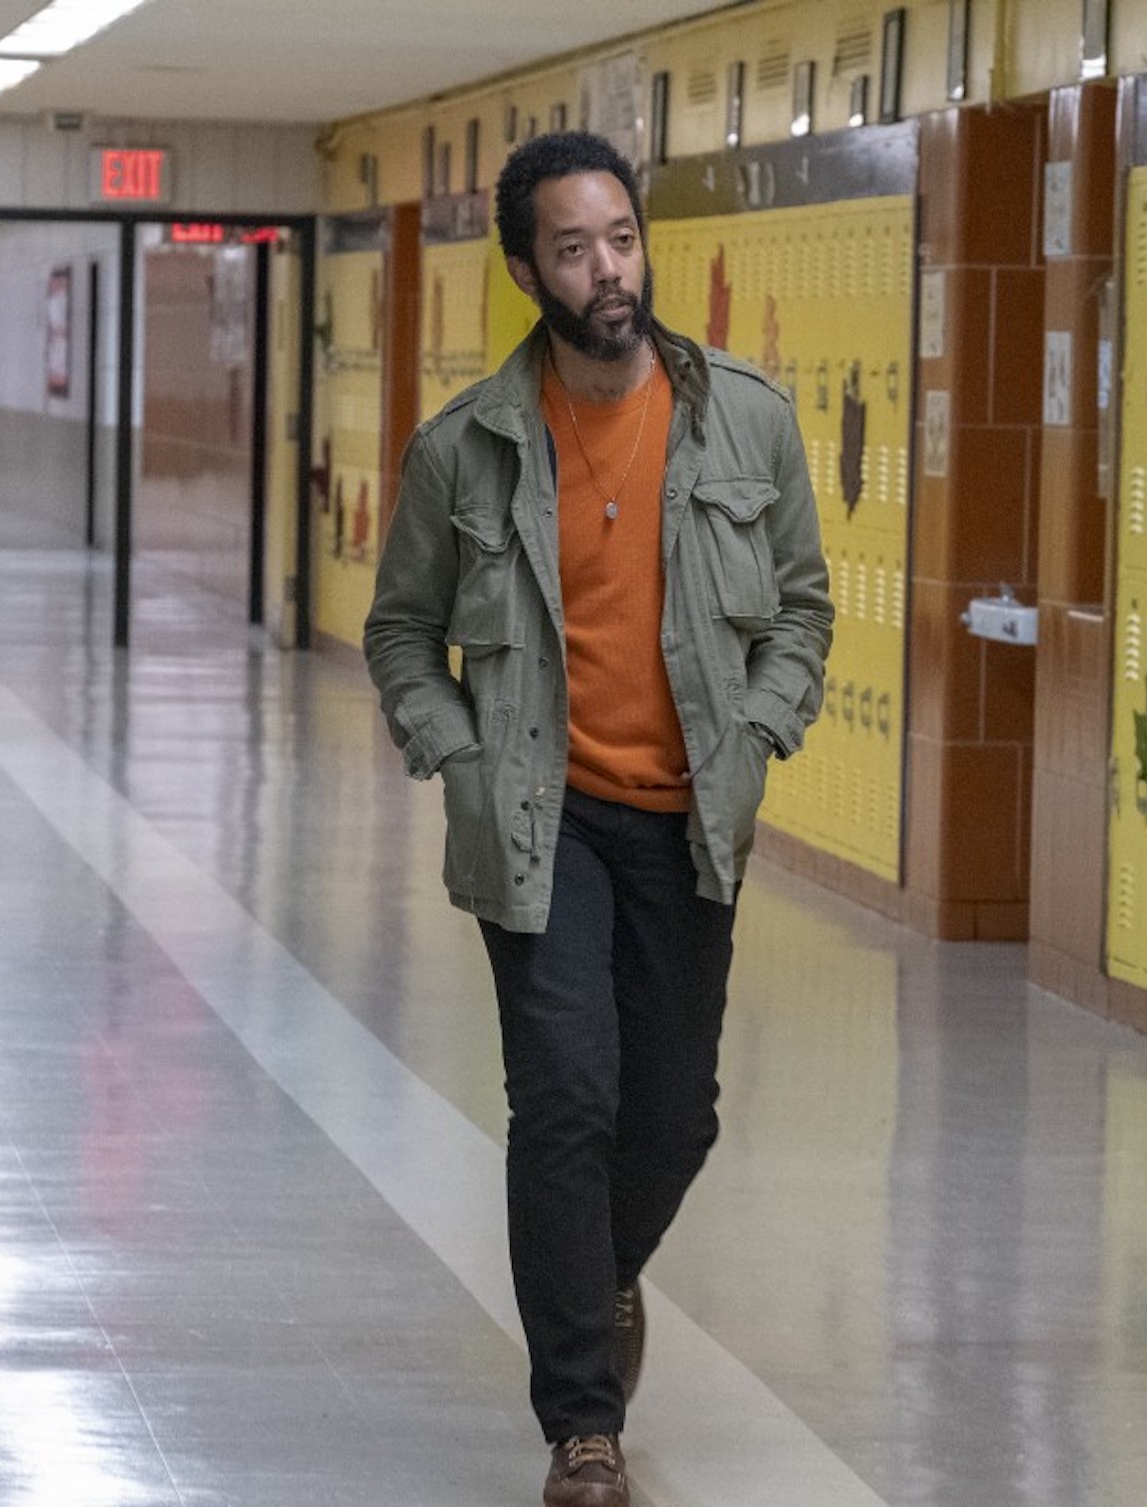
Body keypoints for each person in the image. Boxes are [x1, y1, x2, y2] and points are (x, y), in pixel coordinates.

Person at [363, 131, 832, 1507]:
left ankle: (597, 1273)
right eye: (572, 248)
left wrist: (759, 725)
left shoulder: (744, 417)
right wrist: (453, 752)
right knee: (565, 1101)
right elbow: (399, 632)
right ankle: (584, 1427)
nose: (607, 269)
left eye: (620, 237)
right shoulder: (469, 450)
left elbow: (800, 606)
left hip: (689, 819)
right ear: (527, 271)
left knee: (672, 1118)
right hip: (538, 817)